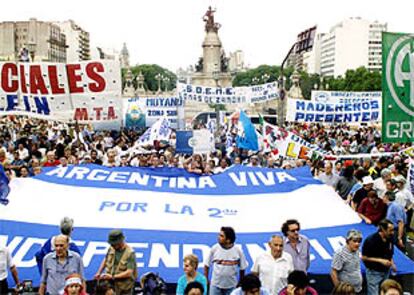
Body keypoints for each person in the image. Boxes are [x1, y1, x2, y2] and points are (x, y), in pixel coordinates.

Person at [204, 227, 248, 295]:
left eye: (221, 236)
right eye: (219, 235)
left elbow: (242, 268)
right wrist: (206, 279)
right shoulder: (214, 248)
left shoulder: (238, 251)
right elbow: (206, 265)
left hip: (231, 286)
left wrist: (240, 282)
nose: (218, 237)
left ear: (228, 240)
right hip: (215, 286)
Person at [95, 230, 137, 295]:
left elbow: (129, 272)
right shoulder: (111, 248)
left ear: (120, 242)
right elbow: (106, 259)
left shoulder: (130, 253)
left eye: (114, 244)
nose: (112, 246)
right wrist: (99, 272)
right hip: (111, 284)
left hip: (124, 286)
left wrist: (112, 277)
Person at [361, 219, 396, 295]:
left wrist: (392, 264)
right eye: (390, 230)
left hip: (386, 271)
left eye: (393, 230)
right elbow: (364, 257)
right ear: (383, 229)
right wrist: (380, 260)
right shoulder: (370, 240)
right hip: (374, 272)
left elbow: (390, 252)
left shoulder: (390, 238)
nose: (392, 233)